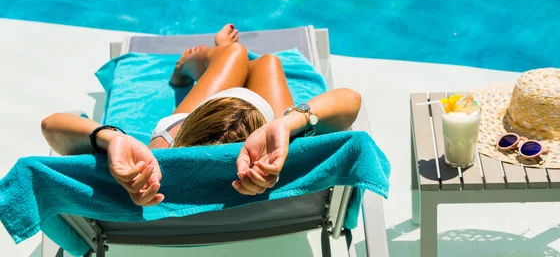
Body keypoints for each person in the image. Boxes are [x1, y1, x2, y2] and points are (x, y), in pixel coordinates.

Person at [41, 24, 362, 207]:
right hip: (258, 121)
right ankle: (229, 56)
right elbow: (350, 101)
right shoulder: (280, 162)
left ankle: (191, 67)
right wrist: (287, 123)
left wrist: (112, 138)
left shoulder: (154, 162)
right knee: (268, 63)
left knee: (233, 55)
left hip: (200, 127)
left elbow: (51, 126)